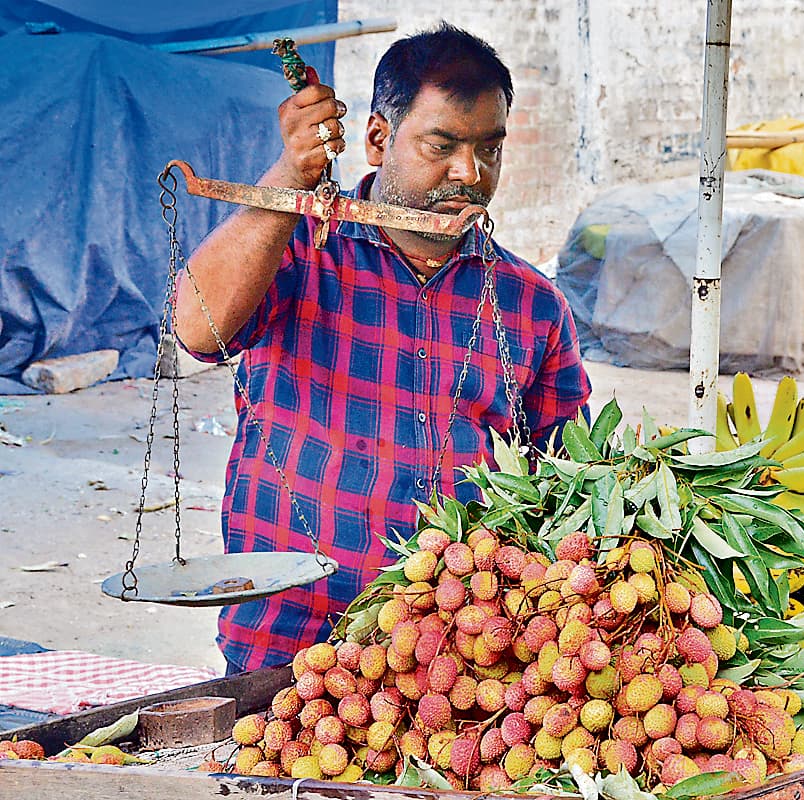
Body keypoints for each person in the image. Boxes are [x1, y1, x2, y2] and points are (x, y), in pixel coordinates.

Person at [174, 23, 591, 673]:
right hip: (287, 637)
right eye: (442, 144)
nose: (469, 173)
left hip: (452, 656)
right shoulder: (300, 247)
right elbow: (199, 330)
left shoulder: (531, 305)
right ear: (377, 139)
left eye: (490, 148)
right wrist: (290, 176)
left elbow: (570, 485)